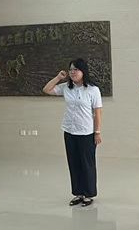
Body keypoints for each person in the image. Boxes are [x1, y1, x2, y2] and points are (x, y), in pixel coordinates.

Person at [43, 59, 103, 207]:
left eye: (76, 69)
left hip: (86, 132)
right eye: (70, 69)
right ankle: (78, 193)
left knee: (87, 164)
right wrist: (58, 77)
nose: (72, 72)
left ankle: (89, 194)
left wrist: (97, 132)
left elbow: (97, 113)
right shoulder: (66, 87)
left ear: (83, 71)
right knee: (74, 163)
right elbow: (47, 89)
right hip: (69, 131)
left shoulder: (93, 90)